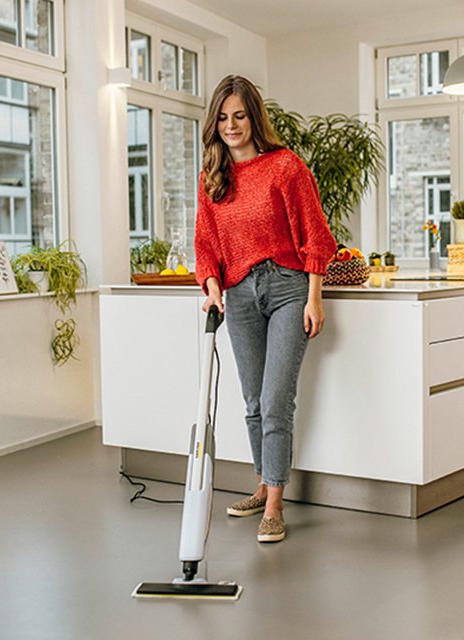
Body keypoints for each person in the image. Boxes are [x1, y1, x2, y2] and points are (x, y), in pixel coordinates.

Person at [194, 75, 337, 543]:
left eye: (239, 116)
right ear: (214, 122)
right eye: (223, 117)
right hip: (237, 296)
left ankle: (274, 505)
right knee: (253, 402)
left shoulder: (285, 167)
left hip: (288, 288)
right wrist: (212, 285)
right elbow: (206, 244)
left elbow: (315, 234)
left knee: (276, 402)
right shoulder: (212, 178)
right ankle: (262, 483)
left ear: (254, 118)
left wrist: (315, 295)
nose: (231, 125)